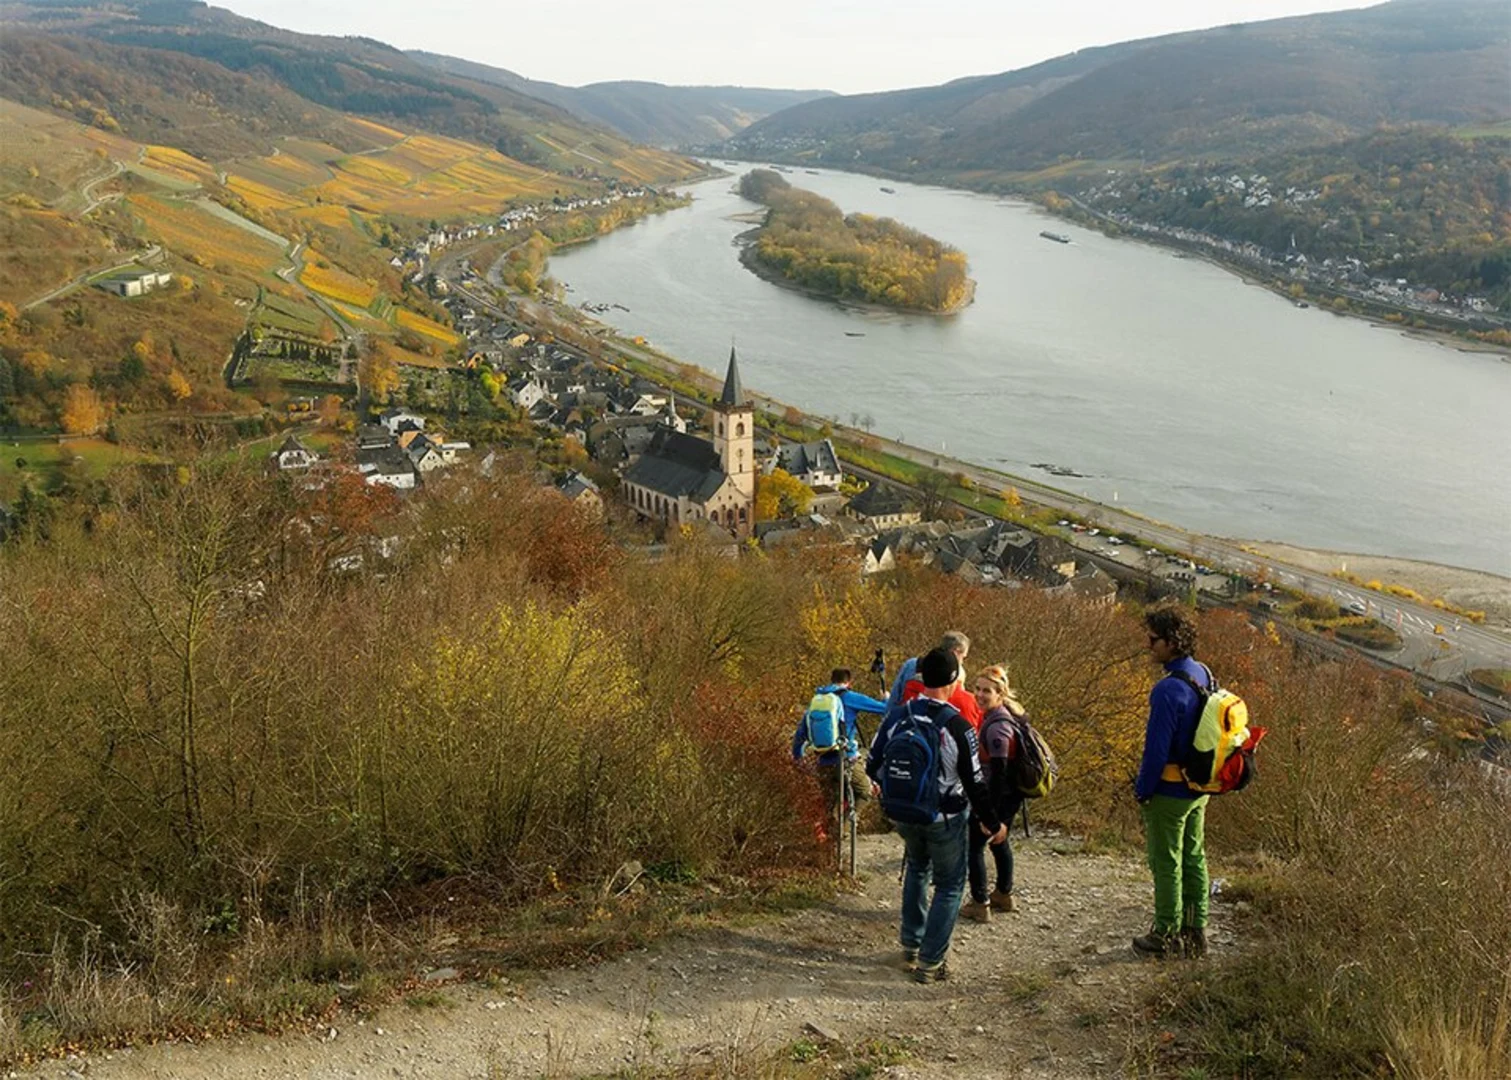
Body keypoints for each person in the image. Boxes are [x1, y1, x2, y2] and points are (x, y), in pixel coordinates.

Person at [867, 647, 1007, 983]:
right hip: (945, 817)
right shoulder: (958, 725)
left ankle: (910, 947)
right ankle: (931, 962)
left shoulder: (898, 716)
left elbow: (872, 764)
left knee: (916, 869)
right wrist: (992, 821)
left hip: (904, 814)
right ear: (954, 681)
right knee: (950, 885)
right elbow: (974, 782)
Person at [1132, 604, 1211, 959]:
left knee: (1166, 862)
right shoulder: (1203, 673)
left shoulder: (1167, 690)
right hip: (1199, 786)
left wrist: (1143, 790)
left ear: (1172, 641)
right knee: (1194, 857)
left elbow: (1156, 751)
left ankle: (1164, 934)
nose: (1148, 646)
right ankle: (1195, 931)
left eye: (1153, 640)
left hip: (1169, 790)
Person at [959, 665, 1027, 922]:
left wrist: (991, 815)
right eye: (977, 688)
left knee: (974, 846)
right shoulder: (1002, 716)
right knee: (999, 841)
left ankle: (980, 903)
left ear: (1000, 694)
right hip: (1008, 796)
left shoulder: (998, 727)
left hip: (998, 798)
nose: (979, 694)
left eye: (987, 691)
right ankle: (1003, 894)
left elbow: (1000, 774)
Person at [791, 667, 887, 813]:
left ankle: (833, 825)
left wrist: (798, 759)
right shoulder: (851, 697)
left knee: (829, 806)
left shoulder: (817, 701)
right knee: (866, 792)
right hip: (846, 759)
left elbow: (800, 734)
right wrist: (886, 697)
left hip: (823, 761)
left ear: (832, 680)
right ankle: (847, 827)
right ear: (849, 682)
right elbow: (885, 709)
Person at [886, 630, 971, 710]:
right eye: (963, 657)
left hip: (907, 715)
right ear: (956, 652)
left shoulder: (912, 664)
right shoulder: (957, 674)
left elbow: (895, 697)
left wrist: (890, 717)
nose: (962, 662)